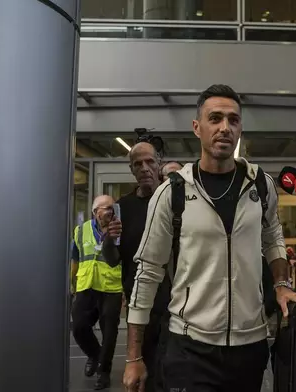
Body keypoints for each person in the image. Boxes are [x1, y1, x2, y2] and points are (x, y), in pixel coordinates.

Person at [123, 84, 296, 392]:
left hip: (251, 344)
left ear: (240, 128)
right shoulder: (172, 192)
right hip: (190, 346)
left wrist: (282, 285)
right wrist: (133, 356)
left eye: (233, 120)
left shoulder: (261, 185)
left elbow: (272, 237)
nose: (224, 128)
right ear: (197, 127)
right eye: (215, 118)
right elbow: (148, 272)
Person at [117, 141, 171, 392]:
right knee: (144, 377)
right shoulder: (124, 208)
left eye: (150, 161)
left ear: (158, 164)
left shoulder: (173, 202)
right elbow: (112, 258)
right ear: (131, 170)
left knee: (173, 374)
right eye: (137, 164)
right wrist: (108, 240)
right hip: (140, 307)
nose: (144, 168)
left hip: (175, 304)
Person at [70, 195, 123, 390]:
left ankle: (104, 372)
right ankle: (94, 354)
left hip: (112, 288)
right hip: (86, 286)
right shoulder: (81, 230)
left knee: (109, 333)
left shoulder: (121, 230)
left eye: (113, 208)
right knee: (79, 327)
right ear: (95, 212)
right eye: (106, 208)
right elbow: (75, 258)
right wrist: (72, 283)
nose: (111, 211)